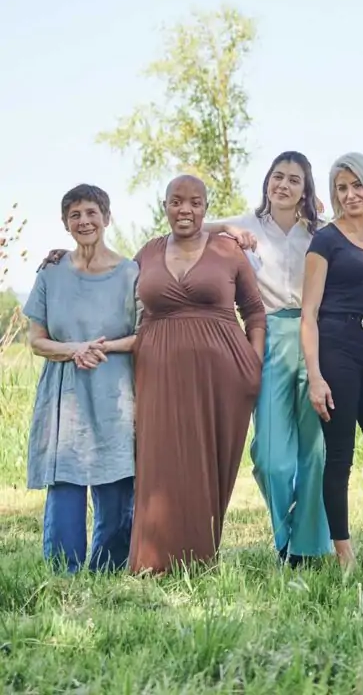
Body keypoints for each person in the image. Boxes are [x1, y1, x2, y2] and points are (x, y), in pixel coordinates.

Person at [128, 175, 266, 574]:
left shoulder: (227, 250)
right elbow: (107, 276)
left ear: (206, 207)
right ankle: (154, 559)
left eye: (194, 203)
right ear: (165, 205)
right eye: (175, 201)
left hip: (222, 376)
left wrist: (252, 361)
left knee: (208, 460)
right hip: (158, 372)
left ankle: (201, 555)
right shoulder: (147, 253)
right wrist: (63, 257)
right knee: (160, 458)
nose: (184, 210)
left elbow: (254, 311)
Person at [204, 152, 332, 567]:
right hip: (268, 335)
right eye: (278, 176)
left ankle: (306, 548)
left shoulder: (321, 232)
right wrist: (225, 228)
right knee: (272, 457)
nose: (284, 185)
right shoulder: (245, 225)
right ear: (267, 182)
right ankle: (286, 531)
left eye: (295, 179)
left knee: (314, 451)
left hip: (316, 338)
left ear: (305, 190)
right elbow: (187, 229)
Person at [24, 184, 138, 573]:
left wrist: (99, 347)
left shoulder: (130, 273)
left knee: (116, 480)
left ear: (107, 218)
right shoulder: (51, 274)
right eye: (75, 215)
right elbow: (36, 340)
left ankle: (108, 569)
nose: (84, 220)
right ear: (65, 223)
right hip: (64, 392)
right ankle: (64, 571)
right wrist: (75, 349)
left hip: (115, 391)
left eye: (92, 212)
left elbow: (146, 335)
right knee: (66, 483)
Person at [301, 153, 363, 569]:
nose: (350, 194)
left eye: (357, 185)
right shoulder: (325, 239)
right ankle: (343, 550)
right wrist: (315, 376)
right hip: (336, 347)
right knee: (341, 454)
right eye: (341, 187)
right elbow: (308, 314)